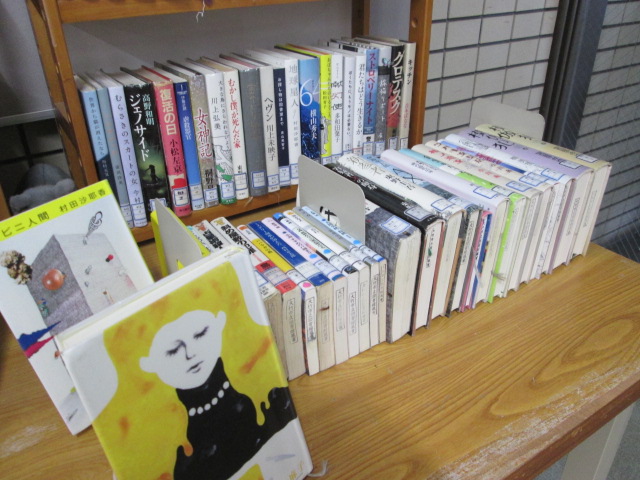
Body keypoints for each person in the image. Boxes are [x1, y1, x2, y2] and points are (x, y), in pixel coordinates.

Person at [139, 310, 296, 480]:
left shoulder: (246, 396)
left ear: (218, 325)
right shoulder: (177, 436)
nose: (190, 354)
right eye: (173, 351)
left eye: (200, 334)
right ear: (152, 365)